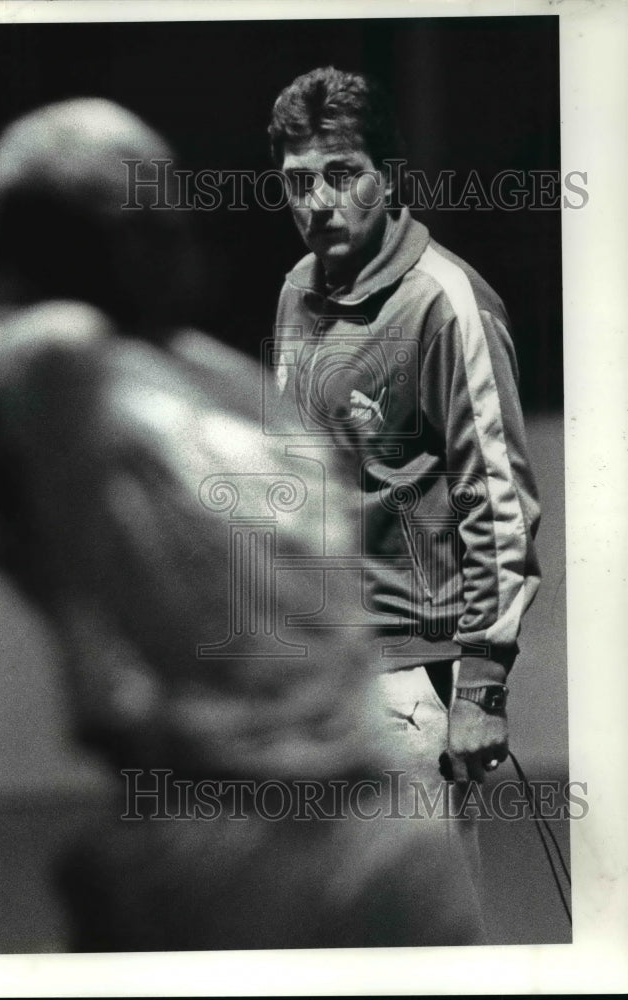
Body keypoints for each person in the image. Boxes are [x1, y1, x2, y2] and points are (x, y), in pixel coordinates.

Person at [0, 96, 490, 949]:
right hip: (215, 818)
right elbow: (44, 356)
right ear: (60, 247)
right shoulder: (22, 374)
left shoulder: (214, 384)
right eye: (139, 217)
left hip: (378, 809)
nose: (176, 235)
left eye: (170, 207)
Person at [268, 67, 542, 864]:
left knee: (422, 950)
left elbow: (497, 500)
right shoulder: (294, 290)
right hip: (319, 672)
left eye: (342, 175)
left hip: (412, 682)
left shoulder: (444, 301)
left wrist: (481, 688)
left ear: (392, 180)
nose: (317, 202)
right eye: (296, 182)